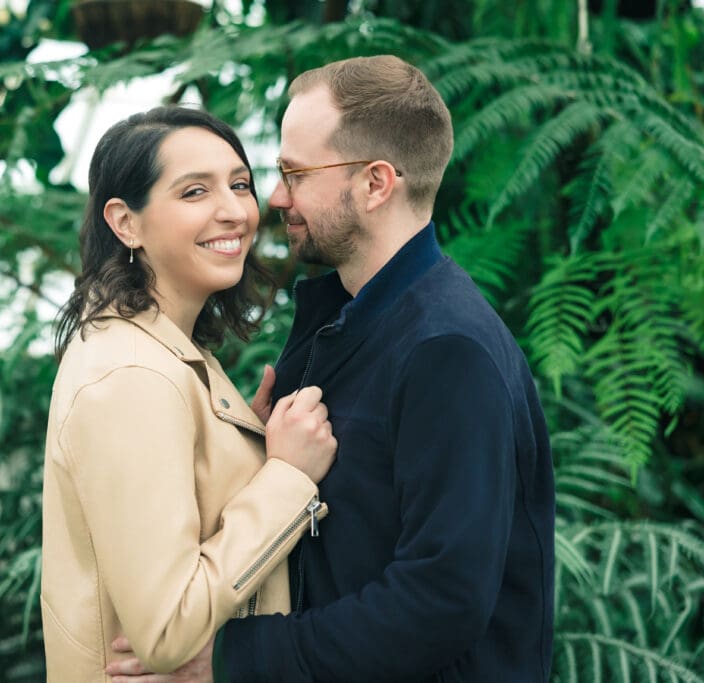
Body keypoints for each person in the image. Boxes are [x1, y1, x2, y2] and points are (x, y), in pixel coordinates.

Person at [107, 55, 555, 682]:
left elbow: (442, 600)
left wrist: (234, 660)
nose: (275, 196)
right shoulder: (334, 320)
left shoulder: (449, 352)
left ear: (375, 184)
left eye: (295, 172)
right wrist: (249, 454)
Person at [41, 106, 339, 682]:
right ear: (126, 223)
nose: (233, 212)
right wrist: (288, 478)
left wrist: (239, 448)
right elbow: (166, 629)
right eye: (195, 191)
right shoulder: (131, 376)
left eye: (240, 185)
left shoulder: (159, 347)